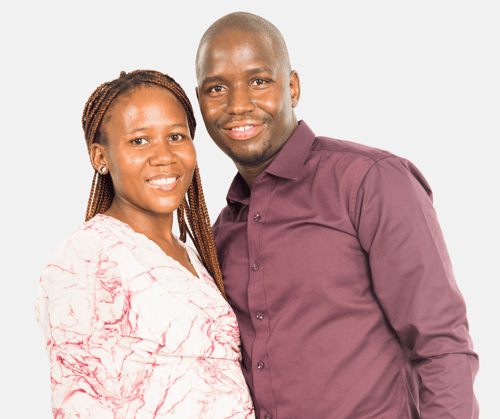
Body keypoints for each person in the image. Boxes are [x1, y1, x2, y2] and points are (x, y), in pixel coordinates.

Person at [195, 12, 479, 419]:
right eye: (217, 88)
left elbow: (442, 345)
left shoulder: (370, 181)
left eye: (259, 81)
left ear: (292, 87)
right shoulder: (219, 235)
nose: (238, 105)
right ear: (200, 102)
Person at [35, 70, 255, 419]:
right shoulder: (89, 255)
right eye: (139, 141)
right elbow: (80, 401)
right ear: (100, 157)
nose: (164, 156)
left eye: (176, 136)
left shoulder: (193, 255)